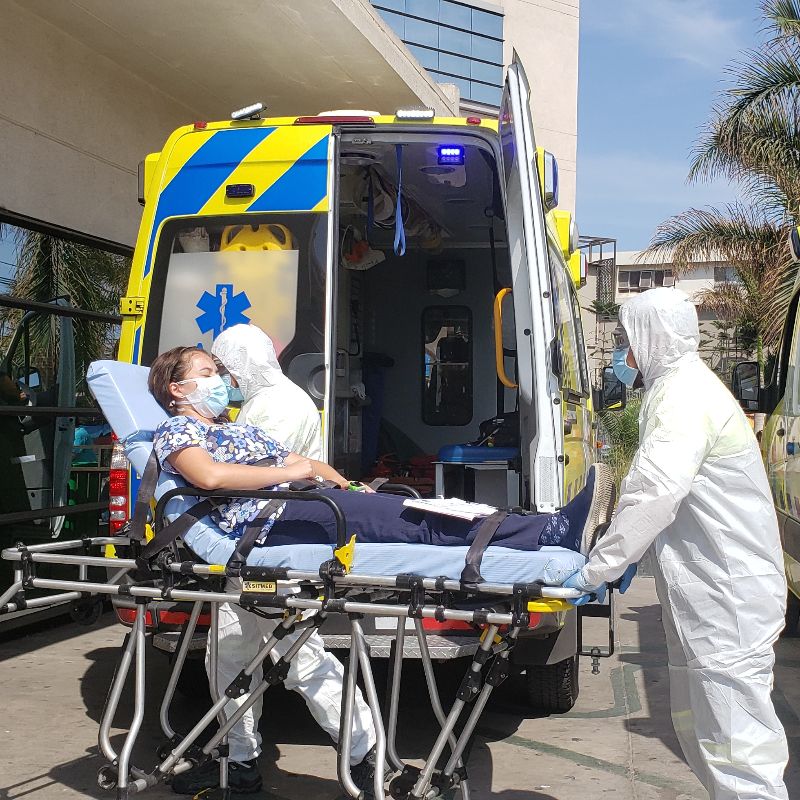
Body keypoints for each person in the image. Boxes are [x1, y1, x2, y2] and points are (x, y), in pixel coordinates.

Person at [561, 288, 789, 800]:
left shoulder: (683, 397)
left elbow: (654, 492)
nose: (622, 354)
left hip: (728, 598)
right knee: (707, 737)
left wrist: (599, 567)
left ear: (652, 337)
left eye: (625, 341)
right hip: (713, 596)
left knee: (739, 750)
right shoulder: (678, 389)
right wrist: (627, 553)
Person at [212, 324, 322, 459]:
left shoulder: (281, 403)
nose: (217, 377)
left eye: (220, 368)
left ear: (240, 364)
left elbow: (267, 462)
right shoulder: (263, 398)